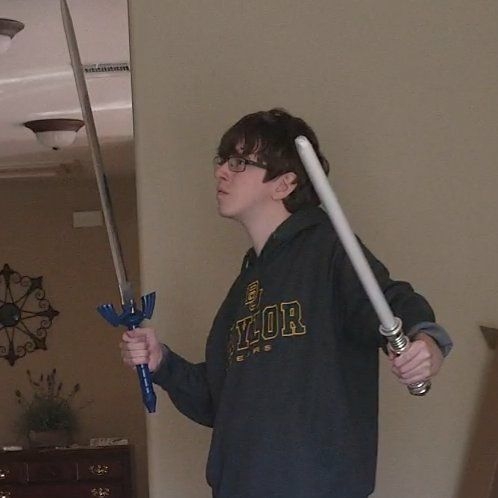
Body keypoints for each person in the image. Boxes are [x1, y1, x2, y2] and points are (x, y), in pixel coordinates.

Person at [120, 108, 452, 498]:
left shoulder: (326, 249)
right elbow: (218, 401)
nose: (221, 171)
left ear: (284, 183)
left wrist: (426, 342)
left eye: (239, 162)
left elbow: (393, 301)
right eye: (223, 160)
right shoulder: (247, 284)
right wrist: (161, 362)